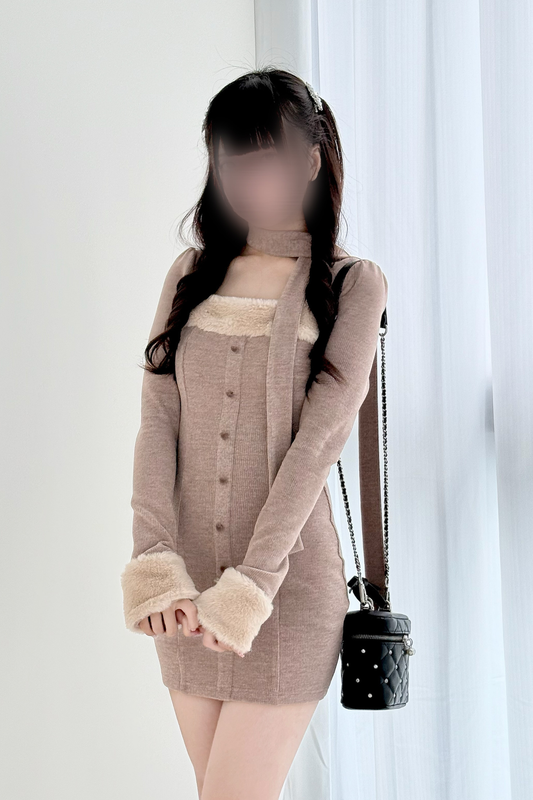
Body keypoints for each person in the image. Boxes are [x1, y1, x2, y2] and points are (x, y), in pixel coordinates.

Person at [120, 67, 388, 800]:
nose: (250, 181)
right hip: (185, 594)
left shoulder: (352, 283)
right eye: (235, 164)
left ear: (311, 160)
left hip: (285, 590)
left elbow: (318, 445)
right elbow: (157, 424)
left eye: (268, 160)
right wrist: (155, 560)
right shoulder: (191, 273)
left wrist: (252, 586)